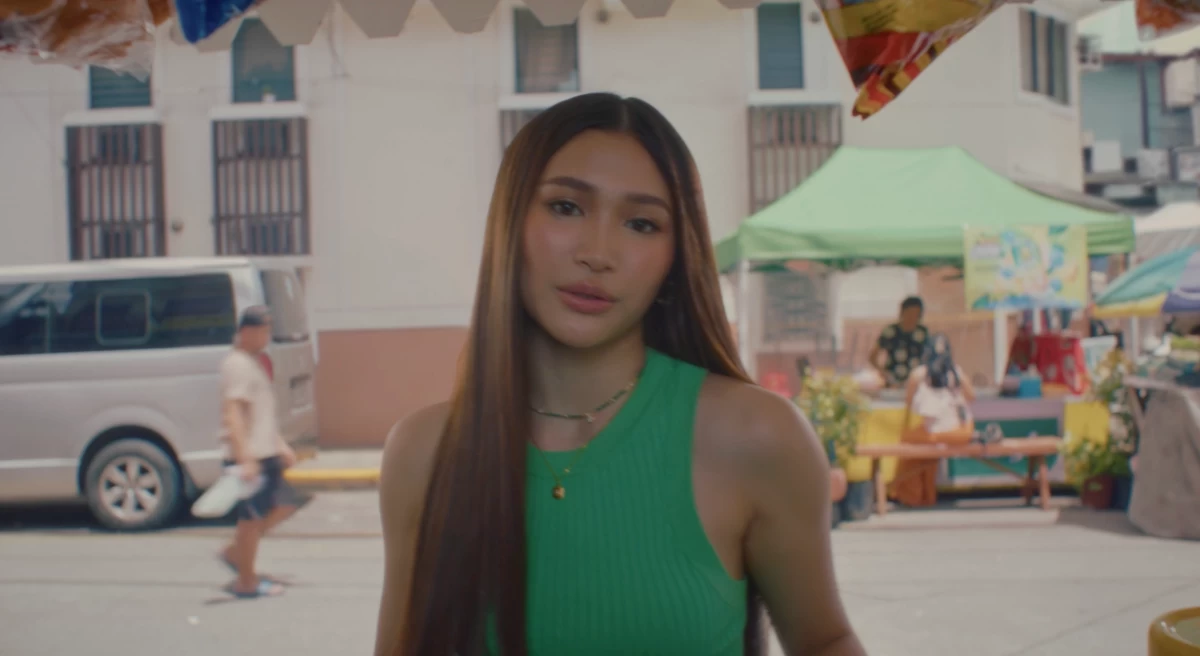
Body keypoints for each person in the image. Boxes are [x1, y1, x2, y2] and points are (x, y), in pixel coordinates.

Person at [374, 93, 863, 656]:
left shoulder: (757, 436)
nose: (598, 252)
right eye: (565, 207)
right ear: (510, 223)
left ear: (675, 257)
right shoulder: (423, 453)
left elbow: (825, 640)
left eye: (641, 223)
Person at [217, 305, 298, 599]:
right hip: (251, 456)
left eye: (268, 330)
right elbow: (234, 413)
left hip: (266, 452)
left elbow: (260, 413)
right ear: (246, 332)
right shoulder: (237, 364)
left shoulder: (254, 363)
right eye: (263, 331)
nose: (267, 336)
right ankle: (246, 581)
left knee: (286, 504)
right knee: (250, 521)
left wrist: (280, 445)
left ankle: (237, 552)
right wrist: (245, 458)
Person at [889, 333, 976, 508]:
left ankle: (911, 495)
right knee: (926, 451)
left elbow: (908, 402)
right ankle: (927, 494)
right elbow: (972, 396)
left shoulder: (918, 374)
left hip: (934, 433)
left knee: (907, 442)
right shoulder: (956, 372)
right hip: (962, 433)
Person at [869, 296, 929, 388]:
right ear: (902, 312)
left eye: (916, 315)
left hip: (915, 383)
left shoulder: (923, 333)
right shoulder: (890, 331)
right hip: (892, 382)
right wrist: (883, 373)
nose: (912, 318)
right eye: (909, 314)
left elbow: (930, 357)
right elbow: (873, 356)